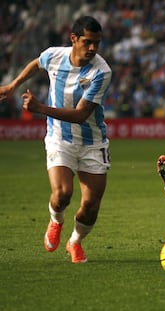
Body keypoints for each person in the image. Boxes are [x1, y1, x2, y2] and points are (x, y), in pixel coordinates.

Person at [0, 16, 112, 263]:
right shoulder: (54, 55)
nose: (93, 48)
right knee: (62, 193)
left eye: (97, 43)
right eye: (87, 42)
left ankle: (75, 242)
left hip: (93, 141)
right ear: (73, 39)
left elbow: (82, 115)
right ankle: (55, 221)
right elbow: (37, 63)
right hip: (60, 137)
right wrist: (13, 85)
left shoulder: (101, 72)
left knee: (91, 205)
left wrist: (41, 108)